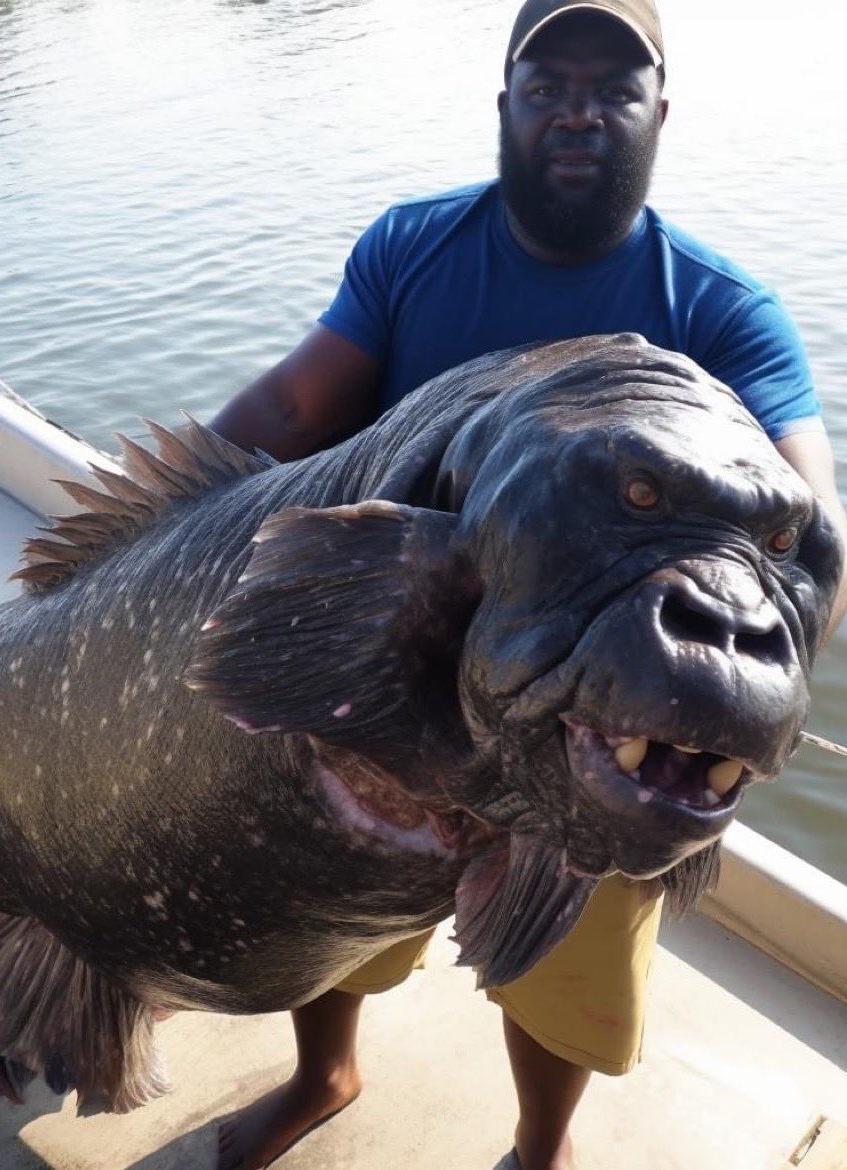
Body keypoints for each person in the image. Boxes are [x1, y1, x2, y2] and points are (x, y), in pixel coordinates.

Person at [207, 1, 847, 1168]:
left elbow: (810, 527)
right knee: (335, 912)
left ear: (660, 113)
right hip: (395, 680)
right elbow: (295, 411)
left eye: (615, 87)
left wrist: (721, 703)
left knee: (565, 965)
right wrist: (151, 531)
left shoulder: (716, 308)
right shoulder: (413, 248)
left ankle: (541, 1148)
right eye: (548, 84)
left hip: (595, 715)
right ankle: (326, 1070)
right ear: (505, 104)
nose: (579, 113)